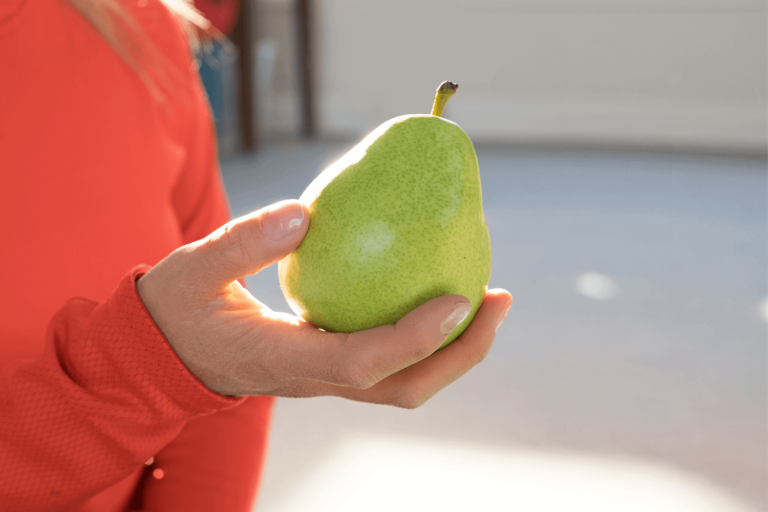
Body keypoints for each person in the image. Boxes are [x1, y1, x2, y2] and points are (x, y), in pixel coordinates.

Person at [0, 0, 513, 509]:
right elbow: (187, 353)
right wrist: (151, 370)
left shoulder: (135, 23)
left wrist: (200, 367)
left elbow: (217, 327)